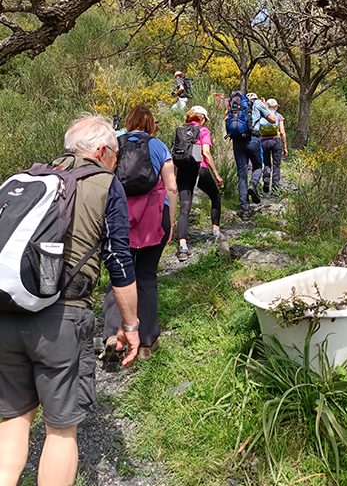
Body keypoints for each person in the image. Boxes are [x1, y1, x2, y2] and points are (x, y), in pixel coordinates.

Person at [0, 113, 139, 486]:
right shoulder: (105, 184)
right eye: (115, 153)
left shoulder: (25, 179)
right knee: (61, 430)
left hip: (6, 314)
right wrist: (130, 325)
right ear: (101, 150)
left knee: (13, 421)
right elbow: (119, 261)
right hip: (61, 320)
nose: (116, 161)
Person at [102, 105, 178, 361]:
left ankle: (113, 335)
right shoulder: (158, 146)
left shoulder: (115, 144)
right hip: (153, 218)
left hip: (120, 218)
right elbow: (172, 187)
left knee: (119, 273)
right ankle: (146, 343)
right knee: (146, 277)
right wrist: (170, 220)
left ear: (129, 121)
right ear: (150, 124)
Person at [176, 105, 225, 261]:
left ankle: (183, 247)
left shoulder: (181, 130)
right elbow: (205, 153)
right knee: (215, 196)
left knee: (184, 208)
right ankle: (216, 233)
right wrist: (216, 174)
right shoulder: (203, 131)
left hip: (183, 170)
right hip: (200, 169)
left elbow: (177, 154)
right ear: (202, 118)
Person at [231, 93, 276, 219]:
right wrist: (265, 106)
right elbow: (273, 119)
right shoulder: (258, 104)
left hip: (237, 141)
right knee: (258, 167)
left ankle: (245, 208)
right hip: (253, 140)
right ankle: (254, 184)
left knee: (242, 174)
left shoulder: (236, 106)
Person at [260, 98, 288, 194]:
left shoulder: (263, 115)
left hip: (264, 141)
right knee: (276, 164)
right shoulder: (278, 116)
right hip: (275, 141)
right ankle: (275, 187)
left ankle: (266, 179)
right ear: (275, 107)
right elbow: (282, 132)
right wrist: (285, 146)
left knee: (267, 163)